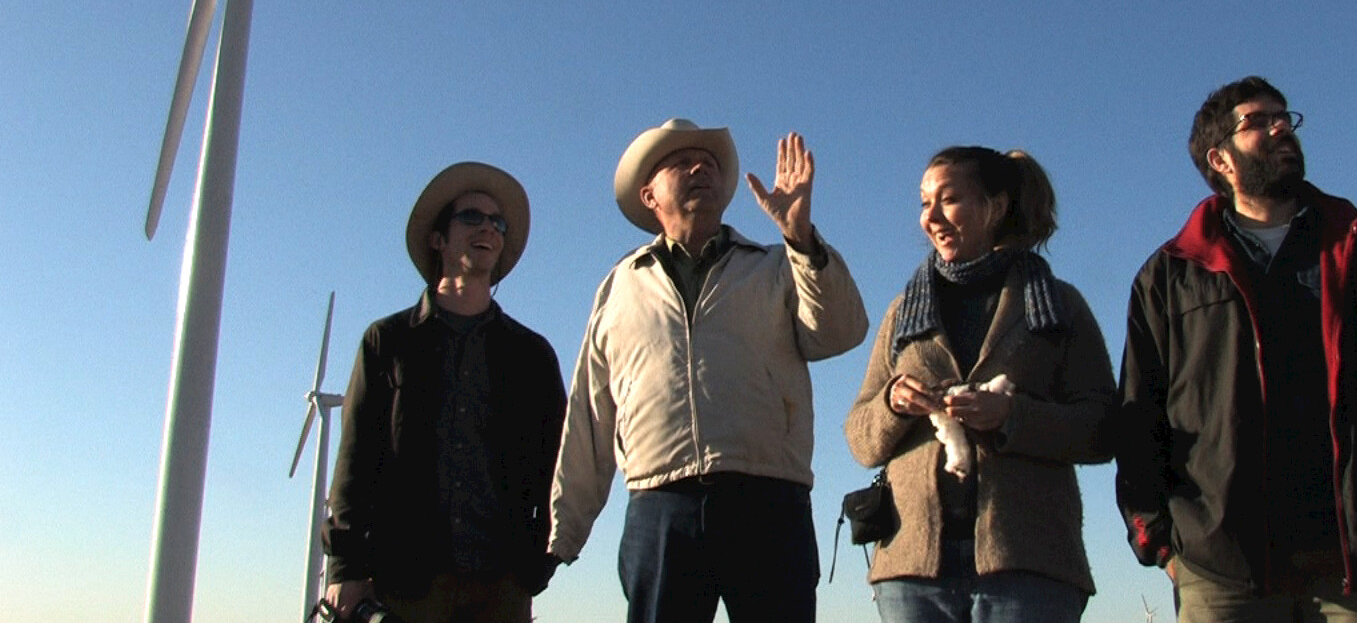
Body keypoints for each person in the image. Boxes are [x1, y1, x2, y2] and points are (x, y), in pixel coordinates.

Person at [1114, 77, 1357, 623]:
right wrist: (1160, 543)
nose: (1281, 127)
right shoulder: (1170, 275)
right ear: (1220, 159)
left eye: (1284, 117)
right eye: (1257, 122)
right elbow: (1141, 417)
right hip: (1223, 570)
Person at [547, 119, 870, 623]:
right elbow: (591, 411)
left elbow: (841, 333)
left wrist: (801, 239)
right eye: (682, 163)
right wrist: (564, 533)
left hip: (769, 502)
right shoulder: (620, 286)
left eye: (709, 163)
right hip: (659, 507)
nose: (700, 168)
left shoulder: (777, 265)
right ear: (649, 195)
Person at [846, 146, 1116, 623]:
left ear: (996, 206)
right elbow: (861, 439)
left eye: (949, 199)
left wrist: (1012, 417)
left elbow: (1103, 429)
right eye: (924, 203)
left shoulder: (1060, 305)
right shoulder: (903, 311)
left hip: (1029, 562)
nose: (931, 218)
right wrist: (893, 403)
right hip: (911, 567)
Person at [323, 162, 568, 623]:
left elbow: (558, 465)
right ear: (438, 239)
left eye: (497, 223)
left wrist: (541, 561)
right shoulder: (387, 341)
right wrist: (345, 567)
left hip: (502, 584)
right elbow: (356, 460)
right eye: (472, 217)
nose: (488, 228)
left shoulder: (531, 355)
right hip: (406, 582)